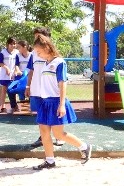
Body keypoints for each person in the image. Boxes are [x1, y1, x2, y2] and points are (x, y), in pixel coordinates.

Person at [30, 35, 92, 170]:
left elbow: (63, 83)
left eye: (39, 51)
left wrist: (62, 104)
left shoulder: (59, 62)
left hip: (56, 102)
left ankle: (84, 146)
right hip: (45, 103)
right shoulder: (45, 63)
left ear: (47, 48)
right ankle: (50, 161)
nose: (37, 54)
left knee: (59, 134)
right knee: (44, 132)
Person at [25, 27, 63, 147]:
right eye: (35, 36)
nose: (36, 39)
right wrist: (28, 86)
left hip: (51, 90)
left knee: (55, 112)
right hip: (37, 89)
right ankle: (43, 137)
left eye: (39, 36)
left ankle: (59, 136)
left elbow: (61, 77)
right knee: (41, 114)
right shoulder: (33, 54)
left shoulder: (54, 56)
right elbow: (31, 71)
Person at [0, 37, 18, 113]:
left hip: (13, 75)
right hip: (4, 75)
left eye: (14, 44)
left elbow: (17, 63)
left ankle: (15, 106)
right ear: (8, 44)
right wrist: (6, 68)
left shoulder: (17, 52)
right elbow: (0, 62)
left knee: (13, 91)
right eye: (11, 44)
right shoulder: (3, 52)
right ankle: (2, 107)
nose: (13, 45)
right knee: (4, 90)